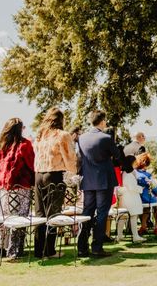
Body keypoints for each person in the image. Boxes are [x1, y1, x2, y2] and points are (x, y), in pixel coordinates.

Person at [33, 107, 78, 258]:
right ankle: (50, 250)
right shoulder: (63, 135)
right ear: (61, 120)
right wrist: (72, 172)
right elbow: (69, 156)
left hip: (38, 174)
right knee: (53, 214)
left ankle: (38, 250)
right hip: (54, 174)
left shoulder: (40, 135)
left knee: (40, 213)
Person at [77, 110, 121, 258]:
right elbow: (118, 155)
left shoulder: (81, 138)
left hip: (88, 181)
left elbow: (80, 158)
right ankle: (97, 247)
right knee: (102, 213)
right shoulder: (106, 138)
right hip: (104, 180)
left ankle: (82, 247)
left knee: (87, 213)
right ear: (102, 121)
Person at [0, 117, 35, 260]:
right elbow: (31, 163)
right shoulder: (25, 144)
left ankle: (2, 248)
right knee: (20, 218)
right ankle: (16, 250)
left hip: (3, 187)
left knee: (6, 218)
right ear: (20, 129)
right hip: (21, 186)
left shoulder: (0, 144)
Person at [116, 155, 146, 242]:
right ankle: (135, 236)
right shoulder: (128, 174)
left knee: (123, 217)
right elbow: (132, 187)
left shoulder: (125, 173)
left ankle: (120, 235)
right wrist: (141, 189)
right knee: (133, 216)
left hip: (127, 197)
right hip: (131, 197)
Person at [134, 152, 157, 235]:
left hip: (137, 198)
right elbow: (153, 187)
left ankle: (143, 226)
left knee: (146, 208)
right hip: (146, 198)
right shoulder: (147, 175)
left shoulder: (134, 173)